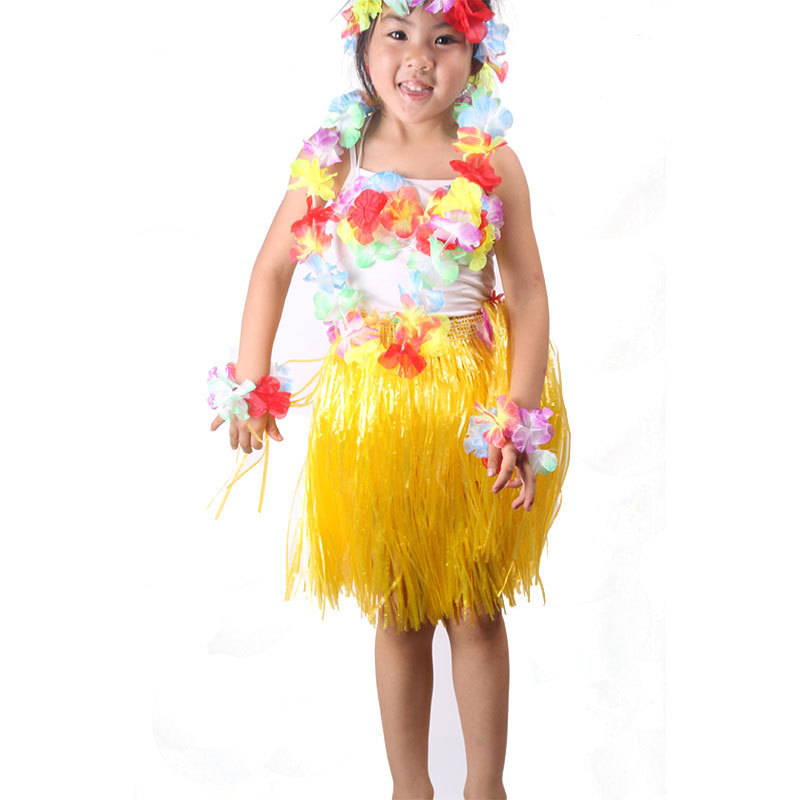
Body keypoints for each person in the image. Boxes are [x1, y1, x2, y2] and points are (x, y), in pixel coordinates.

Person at [207, 2, 571, 797]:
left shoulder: (493, 161)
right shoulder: (335, 157)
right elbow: (273, 267)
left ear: (477, 55)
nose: (418, 56)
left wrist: (517, 417)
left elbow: (528, 292)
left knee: (474, 605)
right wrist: (251, 383)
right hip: (373, 410)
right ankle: (411, 789)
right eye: (397, 34)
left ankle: (486, 788)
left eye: (444, 39)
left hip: (472, 411)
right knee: (400, 605)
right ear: (363, 47)